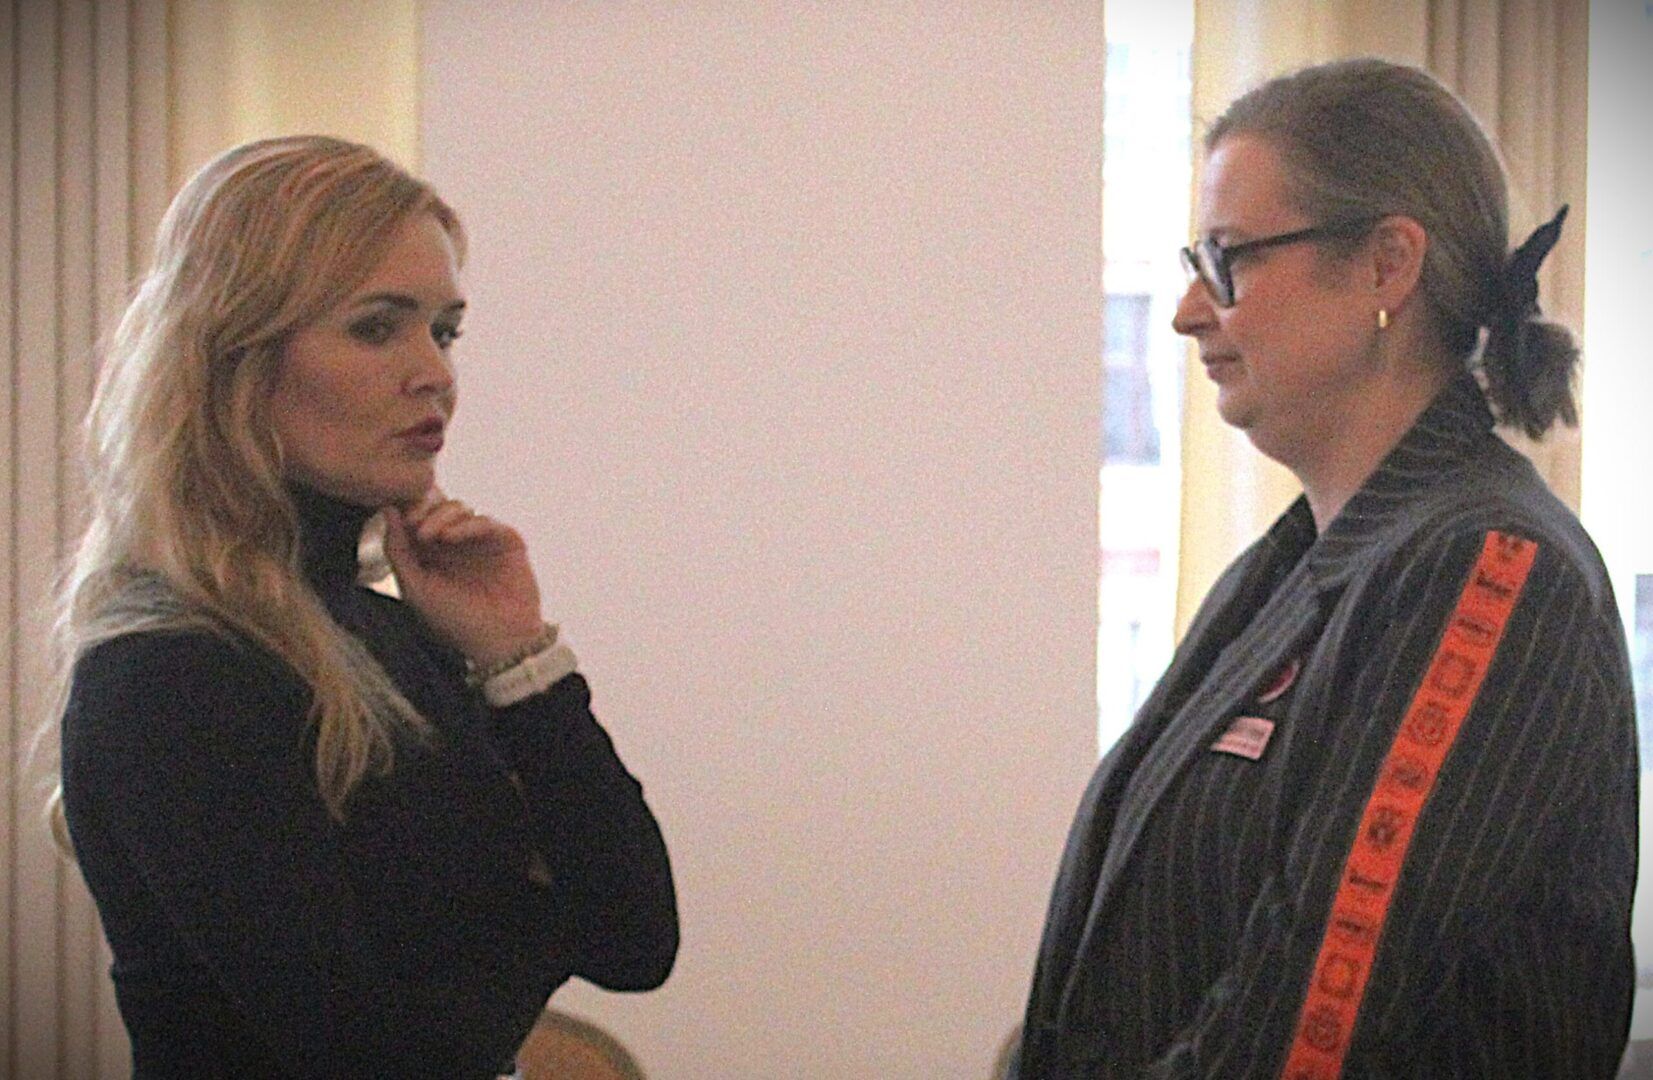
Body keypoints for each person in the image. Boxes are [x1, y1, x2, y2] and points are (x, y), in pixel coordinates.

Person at [1013, 58, 1637, 1079]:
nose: (1187, 311)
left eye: (1228, 261)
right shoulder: (1289, 568)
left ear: (1388, 264)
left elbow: (1313, 1030)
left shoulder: (1493, 570)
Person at [50, 136, 678, 1078]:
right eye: (378, 328)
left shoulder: (395, 628)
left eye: (444, 332)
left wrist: (518, 656)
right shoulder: (169, 667)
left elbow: (635, 941)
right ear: (236, 357)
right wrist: (542, 907)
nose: (435, 375)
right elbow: (373, 1049)